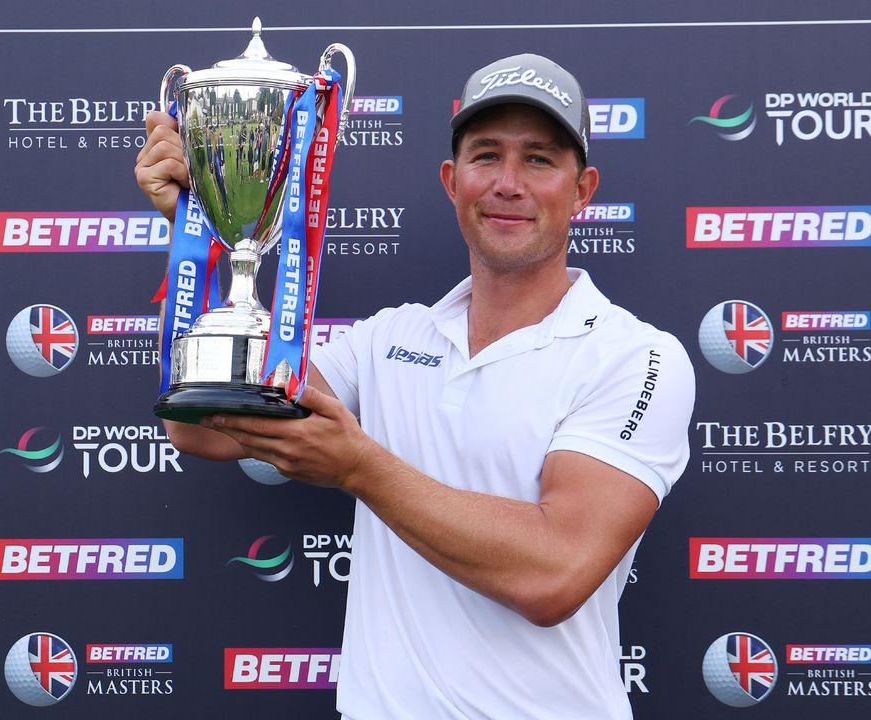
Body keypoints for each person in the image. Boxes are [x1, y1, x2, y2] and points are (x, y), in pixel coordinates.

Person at [135, 53, 695, 720]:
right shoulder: (387, 339)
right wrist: (196, 232)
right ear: (451, 180)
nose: (508, 184)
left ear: (583, 190)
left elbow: (555, 573)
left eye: (540, 160)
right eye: (486, 156)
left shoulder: (636, 356)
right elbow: (202, 428)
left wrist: (362, 469)